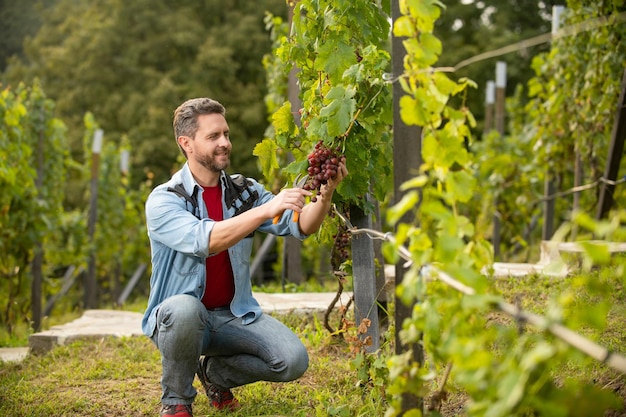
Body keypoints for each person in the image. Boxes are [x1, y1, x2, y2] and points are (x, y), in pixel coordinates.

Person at [142, 97, 348, 417]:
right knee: (185, 308)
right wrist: (266, 208)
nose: (225, 143)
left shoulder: (244, 191)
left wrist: (325, 193)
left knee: (292, 360)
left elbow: (300, 226)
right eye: (213, 137)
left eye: (226, 134)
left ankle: (215, 376)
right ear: (187, 143)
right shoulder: (165, 199)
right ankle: (176, 400)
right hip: (180, 320)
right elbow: (207, 240)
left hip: (233, 316)